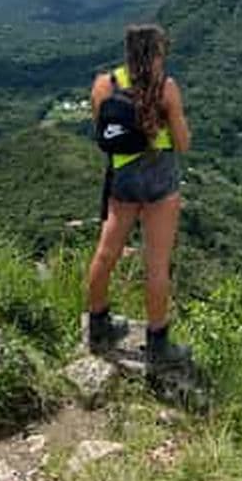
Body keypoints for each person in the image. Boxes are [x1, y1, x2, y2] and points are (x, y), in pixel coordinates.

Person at [87, 23, 191, 369]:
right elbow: (182, 143)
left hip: (123, 178)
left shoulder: (105, 84)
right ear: (158, 53)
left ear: (129, 52)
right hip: (160, 179)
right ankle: (158, 343)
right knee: (157, 265)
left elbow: (101, 130)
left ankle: (98, 325)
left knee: (106, 253)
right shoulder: (167, 89)